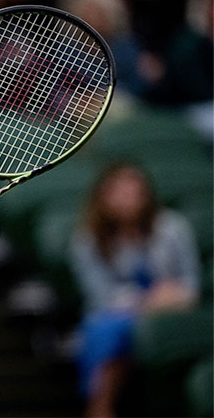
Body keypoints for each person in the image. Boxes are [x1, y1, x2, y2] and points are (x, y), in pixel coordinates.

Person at [69, 163, 201, 417]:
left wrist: (173, 297)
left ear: (146, 195)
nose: (126, 200)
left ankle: (98, 406)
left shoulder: (174, 227)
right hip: (117, 315)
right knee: (108, 328)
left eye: (133, 192)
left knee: (107, 330)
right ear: (102, 198)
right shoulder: (87, 238)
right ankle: (102, 405)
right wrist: (147, 301)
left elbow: (191, 285)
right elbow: (100, 296)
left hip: (172, 312)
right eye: (118, 193)